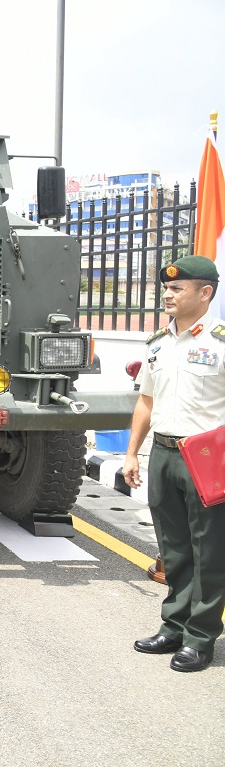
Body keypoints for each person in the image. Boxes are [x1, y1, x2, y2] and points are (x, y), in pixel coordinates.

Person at [123, 254, 225, 673]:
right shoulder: (157, 344)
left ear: (205, 293)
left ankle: (201, 639)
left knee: (210, 552)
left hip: (206, 457)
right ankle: (174, 626)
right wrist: (132, 452)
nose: (167, 294)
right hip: (164, 454)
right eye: (166, 288)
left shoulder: (220, 343)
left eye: (177, 289)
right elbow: (146, 402)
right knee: (173, 548)